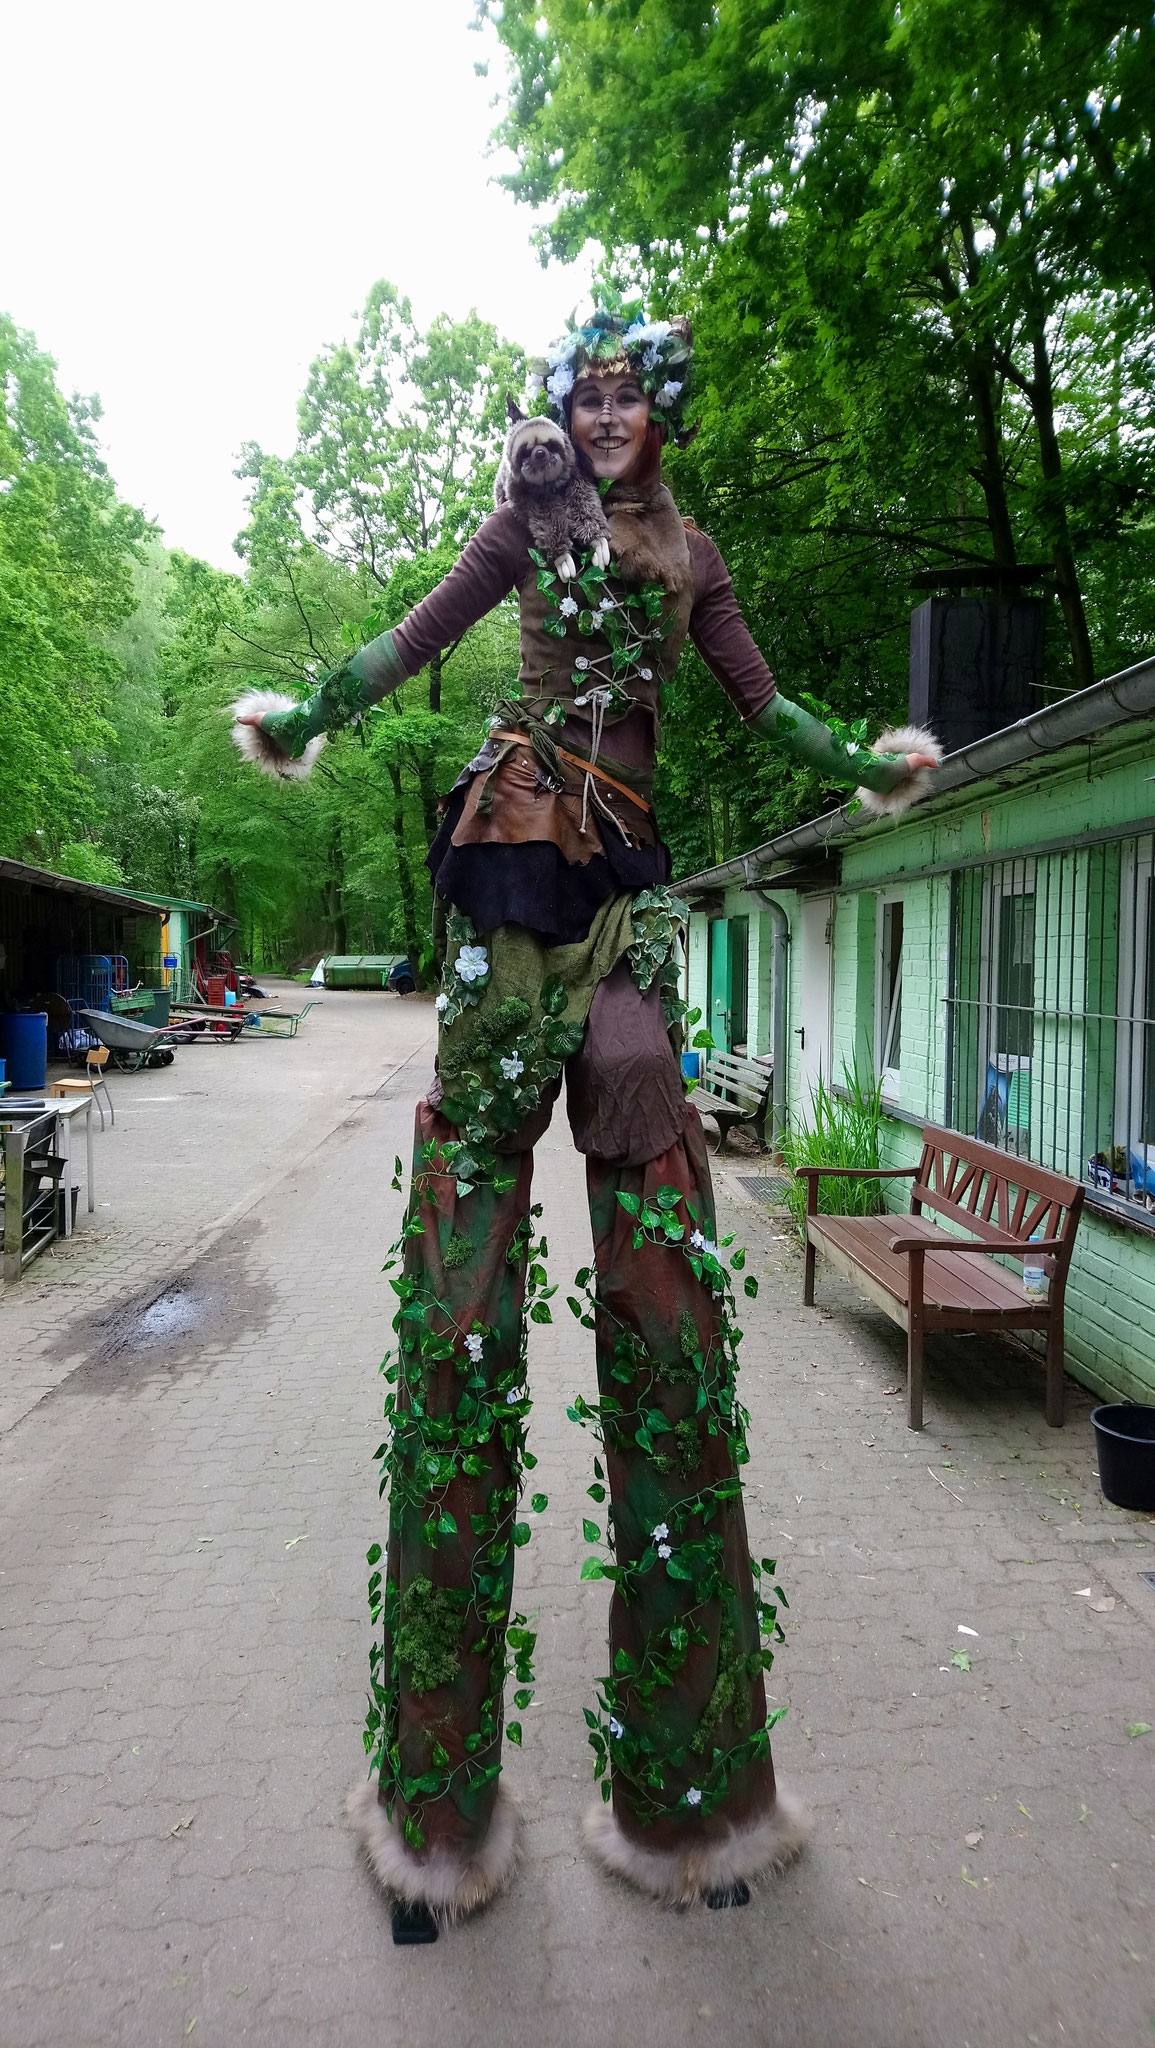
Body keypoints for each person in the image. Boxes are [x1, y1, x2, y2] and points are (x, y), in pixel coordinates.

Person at [233, 307, 940, 1920]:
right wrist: (311, 710)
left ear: (661, 415)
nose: (607, 417)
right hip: (513, 895)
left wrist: (870, 768)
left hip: (624, 909)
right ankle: (436, 1811)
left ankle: (693, 1799)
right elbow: (416, 634)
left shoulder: (692, 556)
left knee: (670, 1306)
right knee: (464, 1309)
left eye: (630, 397)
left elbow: (765, 710)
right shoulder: (527, 514)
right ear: (566, 412)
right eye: (588, 396)